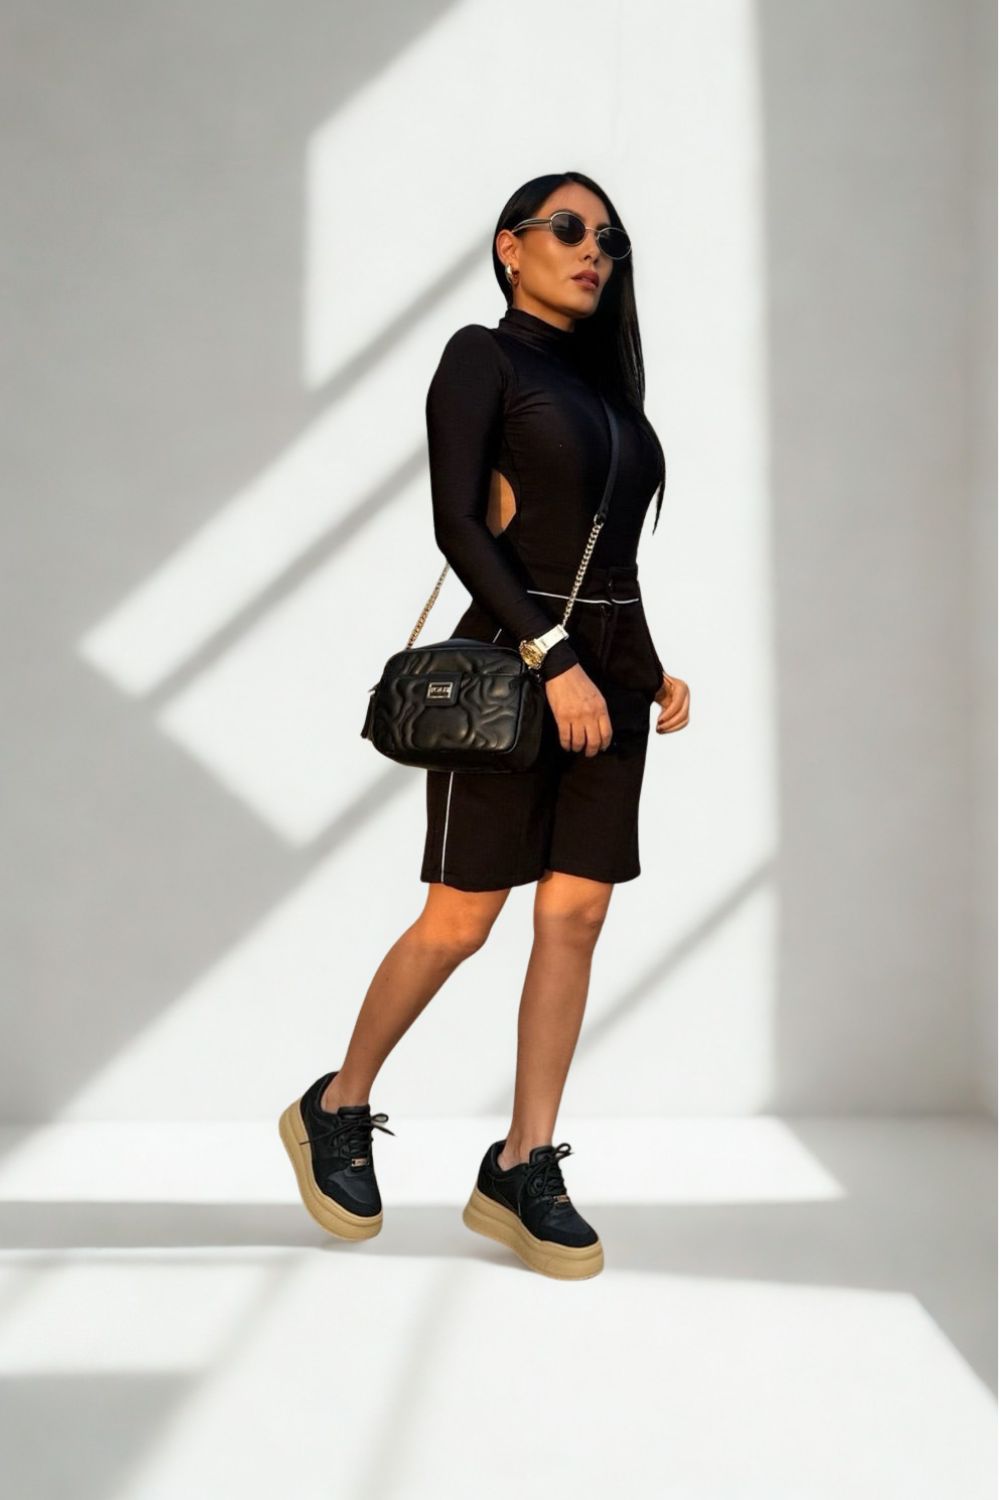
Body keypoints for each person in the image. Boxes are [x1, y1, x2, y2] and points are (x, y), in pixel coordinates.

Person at [279, 171, 691, 1281]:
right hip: (514, 674)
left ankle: (520, 1164)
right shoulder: (483, 358)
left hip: (607, 677)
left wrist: (644, 667)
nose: (593, 249)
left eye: (609, 237)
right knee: (461, 921)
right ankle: (335, 1105)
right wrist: (553, 657)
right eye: (569, 228)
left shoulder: (604, 388)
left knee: (576, 917)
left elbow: (610, 556)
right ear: (510, 247)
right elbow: (460, 526)